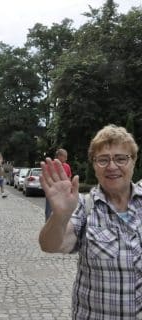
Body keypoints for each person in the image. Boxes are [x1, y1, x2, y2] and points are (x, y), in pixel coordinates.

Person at [39, 124, 142, 319]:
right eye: (103, 160)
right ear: (94, 166)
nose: (112, 166)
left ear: (133, 162)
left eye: (121, 158)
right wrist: (60, 215)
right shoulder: (85, 208)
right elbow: (50, 244)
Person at [44, 148, 72, 221]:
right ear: (59, 156)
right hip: (52, 192)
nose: (66, 159)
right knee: (49, 212)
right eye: (65, 156)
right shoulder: (50, 165)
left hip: (63, 194)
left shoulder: (67, 166)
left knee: (62, 212)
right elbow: (46, 178)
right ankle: (48, 229)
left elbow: (69, 178)